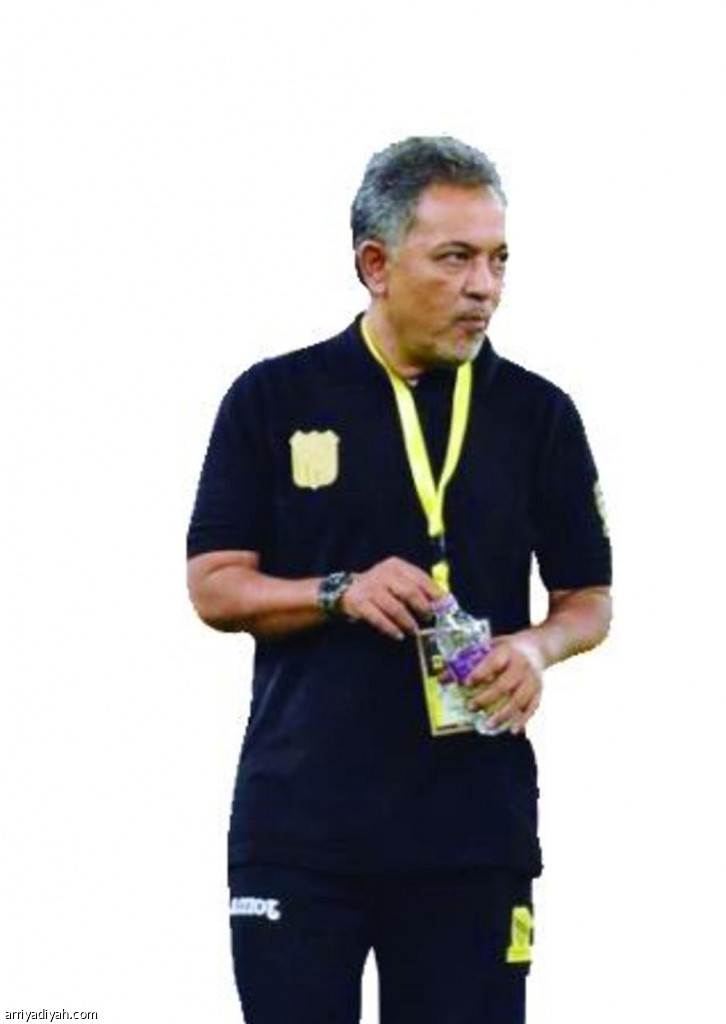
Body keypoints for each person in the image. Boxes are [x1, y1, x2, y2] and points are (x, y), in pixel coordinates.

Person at [186, 136, 612, 1024]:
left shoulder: (540, 415)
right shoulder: (272, 398)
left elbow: (589, 601)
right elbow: (214, 586)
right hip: (302, 831)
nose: (484, 286)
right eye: (455, 258)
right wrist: (335, 592)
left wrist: (536, 648)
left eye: (498, 259)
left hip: (474, 833)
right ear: (375, 265)